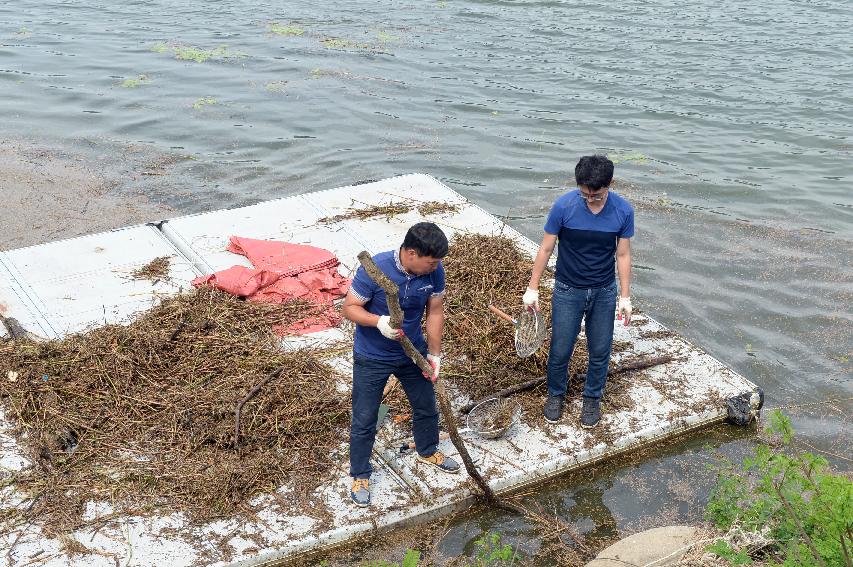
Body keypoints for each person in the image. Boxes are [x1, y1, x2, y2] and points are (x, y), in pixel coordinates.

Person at [343, 222, 460, 507]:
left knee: (425, 405)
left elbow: (435, 311)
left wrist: (434, 354)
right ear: (410, 253)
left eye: (437, 262)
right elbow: (349, 308)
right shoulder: (375, 269)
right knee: (365, 416)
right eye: (430, 262)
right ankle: (360, 473)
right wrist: (378, 322)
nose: (435, 267)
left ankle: (428, 449)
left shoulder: (435, 272)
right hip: (372, 354)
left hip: (412, 351)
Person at [523, 155, 634, 428]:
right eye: (584, 194)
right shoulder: (564, 206)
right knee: (561, 348)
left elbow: (623, 254)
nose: (589, 199)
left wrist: (625, 296)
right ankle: (555, 395)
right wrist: (532, 287)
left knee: (600, 349)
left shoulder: (623, 211)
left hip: (603, 291)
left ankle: (592, 399)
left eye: (595, 195)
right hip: (567, 289)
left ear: (610, 184)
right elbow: (546, 248)